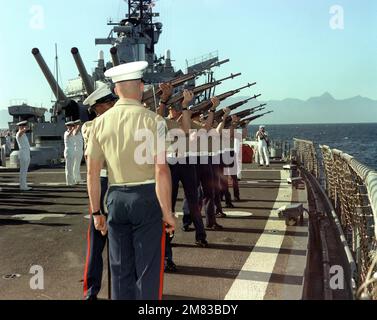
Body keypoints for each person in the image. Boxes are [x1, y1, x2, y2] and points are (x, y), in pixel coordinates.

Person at [86, 61, 176, 300]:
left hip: (115, 198)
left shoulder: (98, 123)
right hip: (147, 197)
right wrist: (167, 212)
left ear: (116, 90)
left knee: (119, 270)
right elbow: (161, 170)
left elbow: (92, 173)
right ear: (141, 87)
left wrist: (96, 213)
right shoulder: (154, 121)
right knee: (147, 270)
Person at [82, 83, 118, 300]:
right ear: (98, 108)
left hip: (122, 185)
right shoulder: (91, 127)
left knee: (121, 243)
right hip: (103, 184)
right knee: (97, 244)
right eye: (109, 103)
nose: (114, 105)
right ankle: (91, 291)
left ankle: (121, 289)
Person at [15, 121, 32, 191]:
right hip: (23, 154)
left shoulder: (23, 134)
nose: (24, 127)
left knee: (25, 171)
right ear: (20, 126)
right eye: (23, 126)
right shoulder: (19, 133)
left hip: (26, 153)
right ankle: (23, 186)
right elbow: (20, 133)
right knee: (23, 171)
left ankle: (24, 185)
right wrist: (25, 129)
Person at [64, 121, 76, 186]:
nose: (71, 127)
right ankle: (68, 182)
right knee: (68, 167)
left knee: (71, 166)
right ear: (67, 126)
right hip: (68, 151)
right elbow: (68, 136)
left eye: (72, 126)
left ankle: (71, 181)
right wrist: (73, 129)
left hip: (72, 150)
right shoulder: (66, 133)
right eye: (70, 126)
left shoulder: (72, 133)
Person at [73, 120, 84, 184]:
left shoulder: (79, 132)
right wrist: (78, 125)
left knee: (77, 165)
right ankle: (76, 179)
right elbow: (75, 132)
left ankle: (78, 178)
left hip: (79, 149)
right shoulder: (75, 131)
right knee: (76, 165)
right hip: (76, 150)